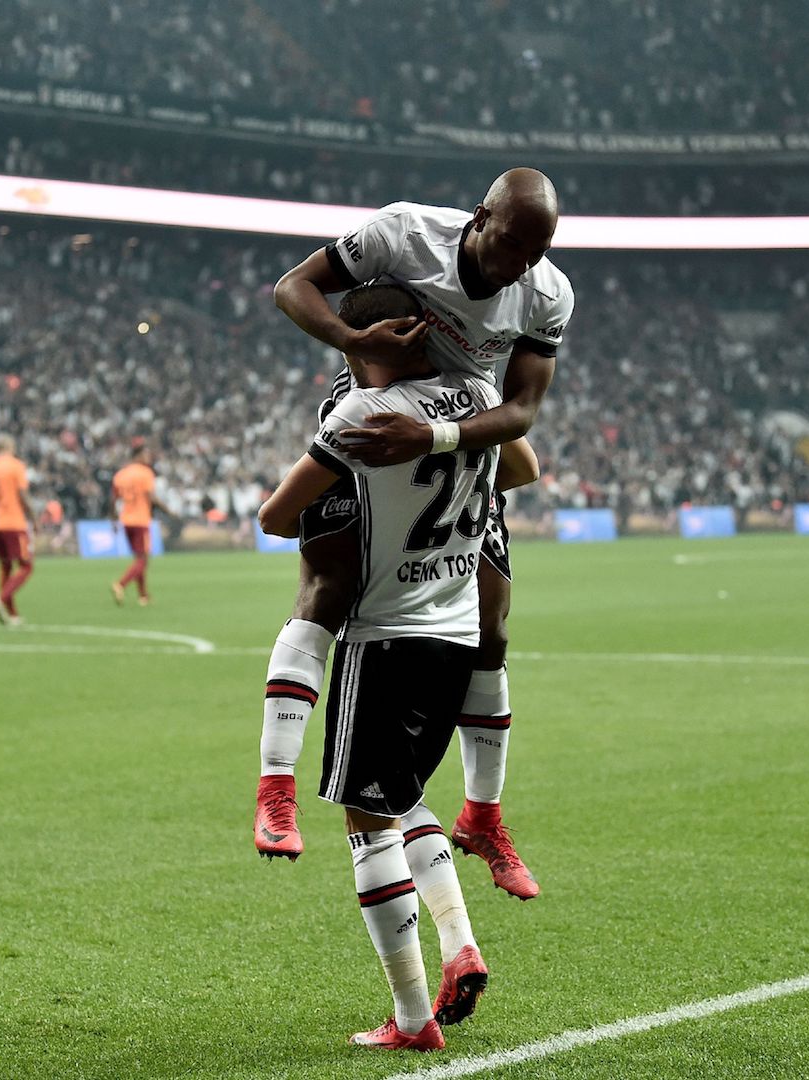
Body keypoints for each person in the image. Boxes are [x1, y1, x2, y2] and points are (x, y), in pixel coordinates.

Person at [254, 168, 572, 900]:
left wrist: (433, 435)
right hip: (378, 394)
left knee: (491, 630)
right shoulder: (403, 233)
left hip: (462, 422)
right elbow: (292, 286)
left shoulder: (548, 292)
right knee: (328, 586)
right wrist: (348, 335)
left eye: (539, 249)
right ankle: (276, 787)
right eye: (514, 242)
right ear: (480, 215)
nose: (523, 262)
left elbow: (521, 417)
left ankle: (484, 815)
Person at [259, 282, 496, 1051]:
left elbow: (275, 516)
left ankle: (413, 1018)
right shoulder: (481, 394)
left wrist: (369, 474)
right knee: (402, 798)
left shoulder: (359, 414)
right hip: (458, 633)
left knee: (368, 825)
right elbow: (520, 463)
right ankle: (459, 937)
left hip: (388, 635)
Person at [0, 435, 35, 627]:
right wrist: (34, 518)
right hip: (13, 522)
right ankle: (1, 598)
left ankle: (11, 614)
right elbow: (23, 495)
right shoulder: (15, 466)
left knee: (5, 566)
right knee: (26, 566)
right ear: (8, 446)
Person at [109, 443, 171, 607]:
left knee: (139, 558)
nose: (148, 458)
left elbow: (113, 500)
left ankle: (143, 596)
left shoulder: (120, 475)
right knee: (143, 559)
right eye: (146, 455)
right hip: (140, 520)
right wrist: (169, 511)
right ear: (138, 455)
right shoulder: (145, 473)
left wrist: (114, 520)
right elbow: (152, 497)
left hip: (126, 521)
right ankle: (120, 584)